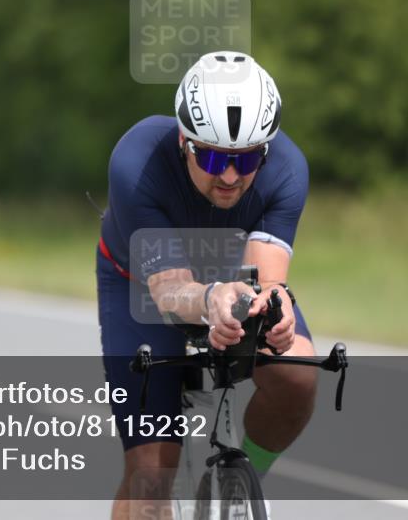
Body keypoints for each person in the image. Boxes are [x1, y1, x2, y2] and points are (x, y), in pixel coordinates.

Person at [97, 51, 315, 519]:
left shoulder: (288, 170)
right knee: (150, 480)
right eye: (213, 156)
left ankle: (243, 479)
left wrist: (274, 307)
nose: (231, 176)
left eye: (248, 158)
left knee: (298, 372)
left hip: (230, 277)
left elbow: (268, 278)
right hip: (140, 282)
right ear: (184, 139)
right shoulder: (136, 162)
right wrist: (212, 298)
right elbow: (170, 291)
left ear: (267, 149)